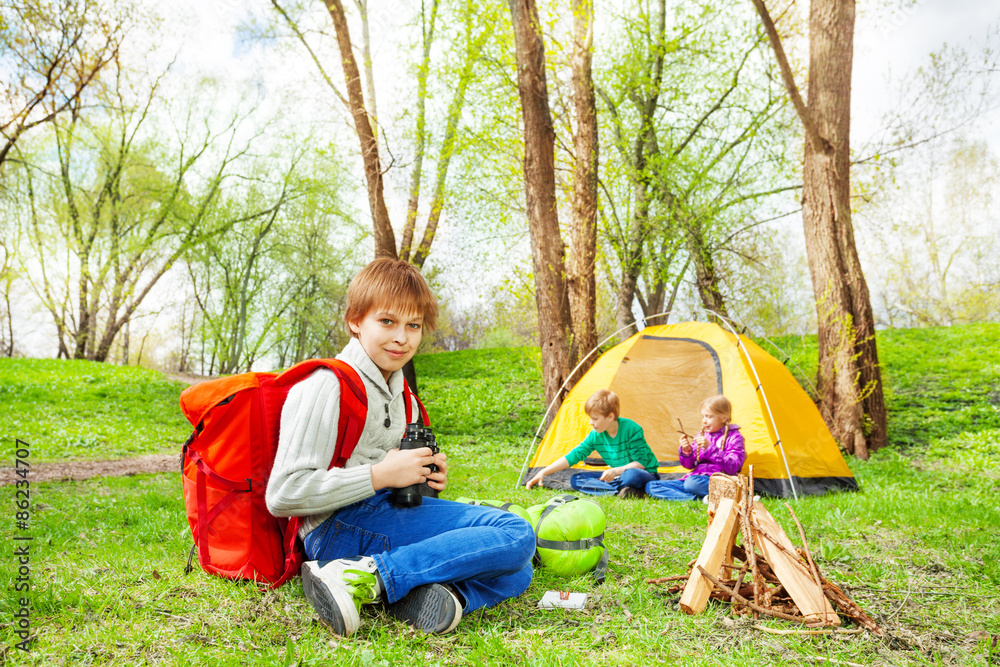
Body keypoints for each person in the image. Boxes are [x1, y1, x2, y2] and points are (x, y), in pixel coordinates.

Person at [266, 258, 535, 637]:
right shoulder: (326, 386)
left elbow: (389, 472)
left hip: (380, 515)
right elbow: (283, 494)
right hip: (335, 529)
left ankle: (442, 594)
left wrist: (423, 478)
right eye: (387, 322)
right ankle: (363, 576)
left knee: (517, 567)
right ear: (355, 321)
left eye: (413, 326)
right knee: (516, 534)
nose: (401, 338)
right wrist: (381, 475)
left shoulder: (402, 393)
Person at [525, 389, 660, 498]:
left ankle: (619, 489)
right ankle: (627, 491)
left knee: (631, 475)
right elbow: (574, 456)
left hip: (643, 474)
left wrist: (614, 470)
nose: (591, 422)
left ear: (610, 417)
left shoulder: (632, 429)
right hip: (617, 477)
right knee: (576, 479)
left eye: (595, 418)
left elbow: (640, 464)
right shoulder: (596, 435)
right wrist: (543, 472)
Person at [644, 395, 746, 502]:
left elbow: (733, 466)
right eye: (703, 417)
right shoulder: (702, 434)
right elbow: (689, 465)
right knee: (651, 486)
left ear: (723, 418)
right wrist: (687, 451)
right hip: (694, 479)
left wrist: (710, 448)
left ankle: (729, 494)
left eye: (709, 417)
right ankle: (698, 499)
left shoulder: (734, 437)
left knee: (693, 483)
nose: (704, 421)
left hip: (717, 481)